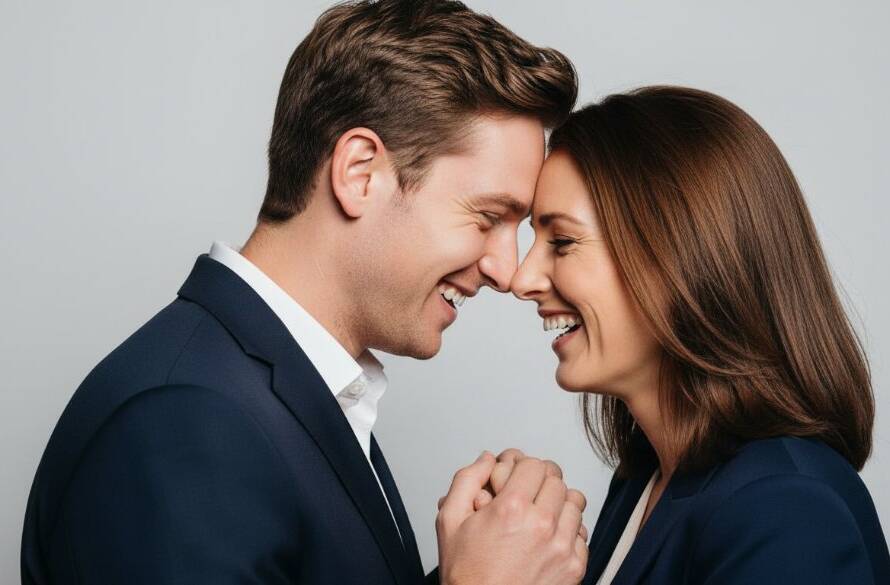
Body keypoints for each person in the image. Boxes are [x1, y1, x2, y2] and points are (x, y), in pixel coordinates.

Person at [21, 2, 589, 584]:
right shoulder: (188, 421)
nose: (506, 270)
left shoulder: (281, 392)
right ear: (360, 172)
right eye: (488, 216)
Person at [509, 86, 890, 584]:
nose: (521, 280)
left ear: (678, 256)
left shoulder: (785, 510)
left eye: (561, 241)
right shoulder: (646, 480)